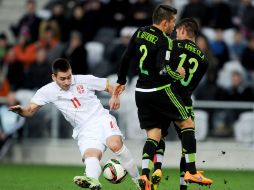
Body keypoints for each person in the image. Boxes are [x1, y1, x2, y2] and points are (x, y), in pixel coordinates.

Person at [111, 5, 213, 190]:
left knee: (156, 136)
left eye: (176, 23)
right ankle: (189, 174)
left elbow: (126, 58)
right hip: (170, 95)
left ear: (183, 30)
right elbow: (163, 69)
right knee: (187, 131)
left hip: (141, 92)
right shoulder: (200, 58)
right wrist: (177, 75)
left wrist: (120, 81)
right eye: (173, 21)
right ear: (165, 21)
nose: (174, 27)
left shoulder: (141, 32)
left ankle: (147, 174)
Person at [9, 58, 140, 190]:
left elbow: (109, 86)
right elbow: (30, 110)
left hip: (101, 119)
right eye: (62, 79)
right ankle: (93, 182)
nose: (67, 82)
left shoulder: (84, 80)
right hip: (84, 129)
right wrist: (21, 111)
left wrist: (115, 96)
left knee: (115, 144)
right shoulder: (46, 91)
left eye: (69, 77)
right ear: (54, 77)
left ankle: (139, 180)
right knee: (91, 155)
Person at [158, 18, 214, 189]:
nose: (175, 32)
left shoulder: (173, 45)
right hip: (185, 101)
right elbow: (191, 84)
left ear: (183, 30)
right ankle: (185, 183)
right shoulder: (204, 60)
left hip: (166, 96)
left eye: (177, 30)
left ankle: (154, 174)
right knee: (187, 143)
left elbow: (162, 69)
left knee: (158, 136)